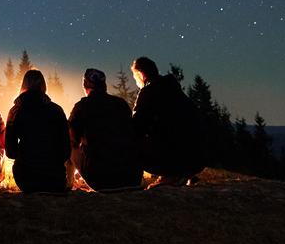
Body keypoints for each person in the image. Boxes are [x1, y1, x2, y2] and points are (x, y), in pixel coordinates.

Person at [131, 56, 206, 186]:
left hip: (175, 158)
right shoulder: (174, 90)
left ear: (141, 74)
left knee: (131, 142)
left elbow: (136, 127)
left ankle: (171, 175)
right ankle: (181, 173)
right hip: (198, 158)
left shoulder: (149, 92)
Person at [67, 68, 141, 191]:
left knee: (68, 143)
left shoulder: (82, 107)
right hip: (132, 176)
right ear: (105, 85)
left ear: (85, 84)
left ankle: (69, 182)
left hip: (102, 179)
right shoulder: (121, 104)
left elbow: (72, 139)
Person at [4, 68, 71, 193]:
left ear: (24, 85)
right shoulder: (56, 110)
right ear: (43, 86)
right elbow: (66, 151)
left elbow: (11, 153)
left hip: (27, 181)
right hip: (55, 181)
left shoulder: (15, 112)